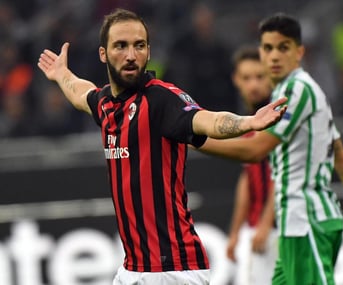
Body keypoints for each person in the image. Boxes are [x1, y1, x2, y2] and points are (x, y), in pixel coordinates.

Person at [37, 8, 287, 285]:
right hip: (132, 269)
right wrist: (62, 74)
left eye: (139, 45)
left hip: (172, 270)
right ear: (103, 54)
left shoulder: (161, 99)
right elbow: (81, 93)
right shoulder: (106, 104)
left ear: (148, 51)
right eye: (121, 46)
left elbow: (207, 120)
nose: (131, 55)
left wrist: (247, 122)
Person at [198, 13, 343, 285]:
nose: (273, 56)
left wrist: (193, 137)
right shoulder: (303, 92)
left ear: (299, 52)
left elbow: (256, 151)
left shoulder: (297, 92)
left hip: (307, 221)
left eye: (283, 47)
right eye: (268, 48)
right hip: (295, 224)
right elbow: (341, 159)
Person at [226, 46, 277, 285]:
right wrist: (236, 232)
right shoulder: (247, 121)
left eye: (260, 76)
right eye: (247, 78)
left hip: (279, 229)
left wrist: (266, 224)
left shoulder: (279, 118)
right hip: (254, 228)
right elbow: (247, 178)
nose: (254, 85)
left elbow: (286, 175)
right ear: (236, 80)